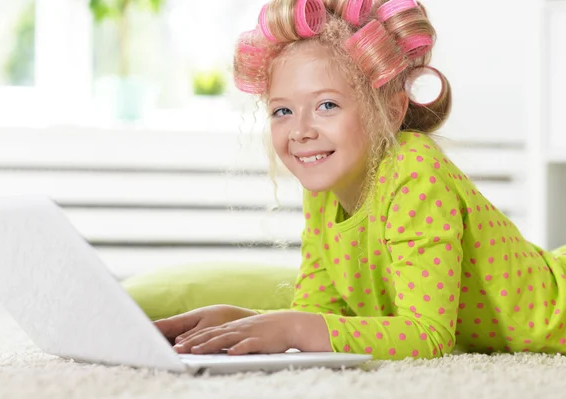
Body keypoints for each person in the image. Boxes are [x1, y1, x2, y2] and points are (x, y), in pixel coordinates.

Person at [154, 0, 566, 360]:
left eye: (326, 105)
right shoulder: (325, 192)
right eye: (282, 111)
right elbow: (318, 314)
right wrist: (244, 321)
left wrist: (293, 327)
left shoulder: (414, 171)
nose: (300, 130)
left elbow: (427, 335)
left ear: (390, 110)